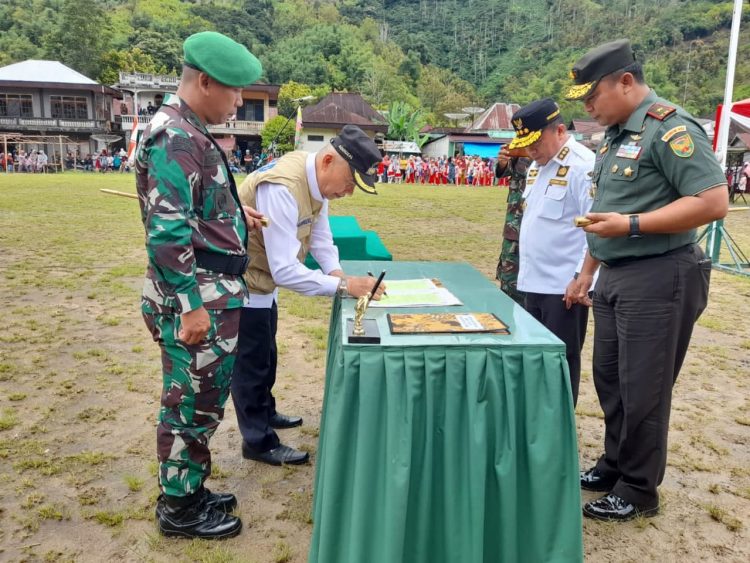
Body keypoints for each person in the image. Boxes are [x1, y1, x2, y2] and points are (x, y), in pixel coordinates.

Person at [566, 39, 728, 521]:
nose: (589, 107)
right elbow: (605, 213)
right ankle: (614, 463)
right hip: (616, 274)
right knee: (611, 379)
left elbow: (712, 201)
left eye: (592, 96)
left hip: (660, 273)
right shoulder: (617, 136)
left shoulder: (670, 128)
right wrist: (588, 270)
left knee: (644, 387)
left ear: (626, 82)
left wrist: (632, 226)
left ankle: (638, 489)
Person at [135, 30, 264, 539]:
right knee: (189, 403)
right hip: (196, 296)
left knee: (202, 400)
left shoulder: (187, 129)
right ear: (205, 81)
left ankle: (189, 487)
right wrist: (190, 307)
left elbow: (190, 210)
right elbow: (165, 233)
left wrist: (234, 216)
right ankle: (180, 510)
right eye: (233, 90)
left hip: (210, 289)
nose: (237, 102)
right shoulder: (177, 137)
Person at [234, 124, 387, 466]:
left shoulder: (318, 183)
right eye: (350, 182)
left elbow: (321, 239)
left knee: (267, 355)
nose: (348, 192)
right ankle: (257, 441)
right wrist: (345, 286)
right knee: (252, 363)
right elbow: (285, 270)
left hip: (262, 282)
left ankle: (266, 411)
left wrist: (338, 274)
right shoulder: (283, 188)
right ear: (328, 160)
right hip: (244, 283)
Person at [508, 98, 594, 406]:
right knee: (534, 356)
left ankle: (558, 427)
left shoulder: (582, 166)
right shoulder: (537, 166)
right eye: (525, 143)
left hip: (564, 287)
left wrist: (580, 278)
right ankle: (536, 419)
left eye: (536, 142)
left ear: (559, 130)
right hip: (533, 281)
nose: (530, 150)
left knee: (561, 361)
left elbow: (594, 229)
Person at [494, 146, 530, 306]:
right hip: (513, 230)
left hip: (536, 232)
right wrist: (502, 163)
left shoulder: (550, 153)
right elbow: (504, 171)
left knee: (532, 291)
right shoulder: (519, 149)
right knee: (508, 284)